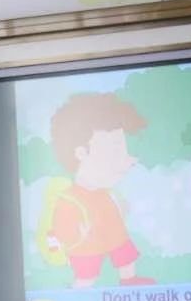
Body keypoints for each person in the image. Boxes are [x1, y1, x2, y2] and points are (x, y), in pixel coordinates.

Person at [42, 92, 154, 289]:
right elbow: (59, 230)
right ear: (81, 153)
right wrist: (71, 236)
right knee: (88, 273)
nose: (124, 160)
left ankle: (129, 279)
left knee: (124, 253)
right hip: (87, 244)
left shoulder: (105, 193)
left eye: (122, 151)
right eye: (114, 152)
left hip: (114, 235)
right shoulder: (70, 199)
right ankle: (79, 294)